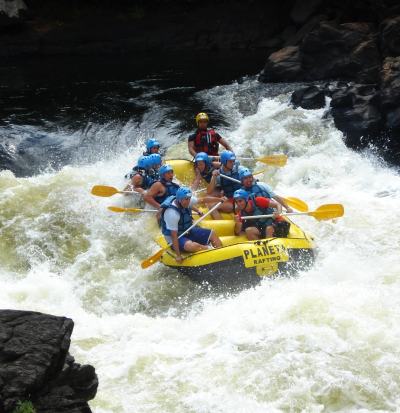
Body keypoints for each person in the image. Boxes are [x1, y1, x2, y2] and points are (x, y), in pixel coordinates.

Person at [160, 187, 223, 262]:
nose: (189, 201)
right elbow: (174, 236)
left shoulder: (186, 200)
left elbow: (203, 200)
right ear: (179, 200)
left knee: (212, 233)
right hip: (176, 237)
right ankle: (209, 249)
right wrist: (178, 255)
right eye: (186, 199)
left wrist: (219, 199)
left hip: (187, 231)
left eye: (189, 199)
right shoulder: (172, 214)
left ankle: (221, 255)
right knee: (190, 246)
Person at [206, 150, 242, 218]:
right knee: (211, 206)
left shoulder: (239, 169)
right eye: (230, 161)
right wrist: (213, 177)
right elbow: (209, 191)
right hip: (231, 200)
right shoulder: (219, 175)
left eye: (233, 161)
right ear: (224, 162)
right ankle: (221, 225)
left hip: (242, 199)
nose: (233, 163)